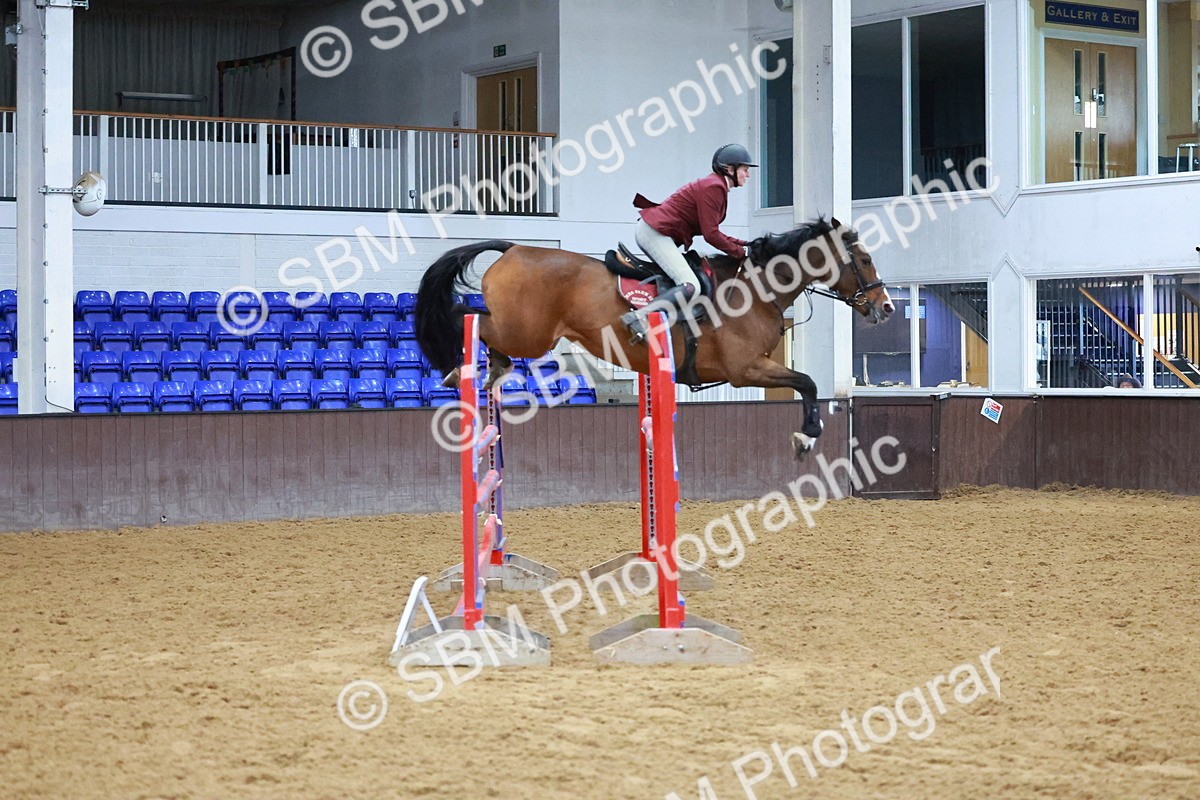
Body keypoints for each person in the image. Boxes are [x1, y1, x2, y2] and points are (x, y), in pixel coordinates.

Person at [619, 143, 756, 344]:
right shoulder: (714, 187)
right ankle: (640, 316)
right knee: (691, 285)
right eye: (745, 169)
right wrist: (740, 252)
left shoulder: (716, 186)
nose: (748, 175)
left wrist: (747, 245)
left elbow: (715, 232)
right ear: (730, 169)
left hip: (656, 232)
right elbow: (711, 235)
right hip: (654, 233)